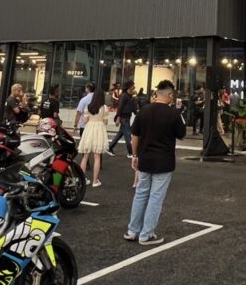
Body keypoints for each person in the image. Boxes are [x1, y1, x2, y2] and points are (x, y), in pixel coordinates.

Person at [123, 79, 186, 246]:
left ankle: (132, 231)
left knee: (140, 194)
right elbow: (181, 134)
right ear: (170, 95)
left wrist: (135, 155)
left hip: (144, 159)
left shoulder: (144, 110)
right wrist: (179, 111)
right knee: (155, 197)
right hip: (164, 161)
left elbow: (134, 135)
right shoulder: (173, 114)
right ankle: (146, 234)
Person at [78, 88, 108, 187]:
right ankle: (95, 181)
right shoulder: (104, 107)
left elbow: (85, 120)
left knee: (85, 156)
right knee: (97, 156)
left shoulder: (88, 106)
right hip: (99, 130)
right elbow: (105, 121)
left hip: (89, 129)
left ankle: (82, 179)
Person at [106, 81, 138, 157]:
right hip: (124, 117)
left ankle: (110, 147)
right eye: (133, 85)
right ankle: (130, 152)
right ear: (130, 86)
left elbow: (133, 107)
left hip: (127, 117)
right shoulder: (124, 95)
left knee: (120, 134)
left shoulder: (130, 96)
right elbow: (120, 107)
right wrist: (118, 117)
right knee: (128, 135)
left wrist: (136, 112)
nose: (134, 87)